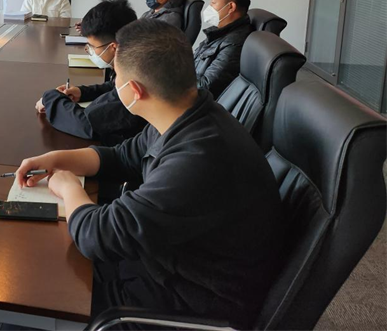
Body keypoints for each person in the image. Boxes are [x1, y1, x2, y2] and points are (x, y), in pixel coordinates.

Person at [15, 19, 283, 328]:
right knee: (49, 260)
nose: (113, 84)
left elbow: (98, 235)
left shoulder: (199, 159)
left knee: (38, 293)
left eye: (116, 77)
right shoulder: (186, 112)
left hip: (181, 302)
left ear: (133, 91)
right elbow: (121, 156)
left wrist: (68, 187)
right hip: (164, 259)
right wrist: (56, 159)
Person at [35, 0, 145, 145]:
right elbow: (114, 87)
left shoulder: (137, 82)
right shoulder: (135, 62)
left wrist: (50, 97)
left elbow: (86, 124)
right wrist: (83, 92)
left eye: (92, 46)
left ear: (113, 47)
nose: (89, 51)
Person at [194, 0, 253, 98]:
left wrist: (171, 82)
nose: (209, 8)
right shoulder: (219, 33)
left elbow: (206, 87)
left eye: (213, 3)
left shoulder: (234, 43)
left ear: (231, 7)